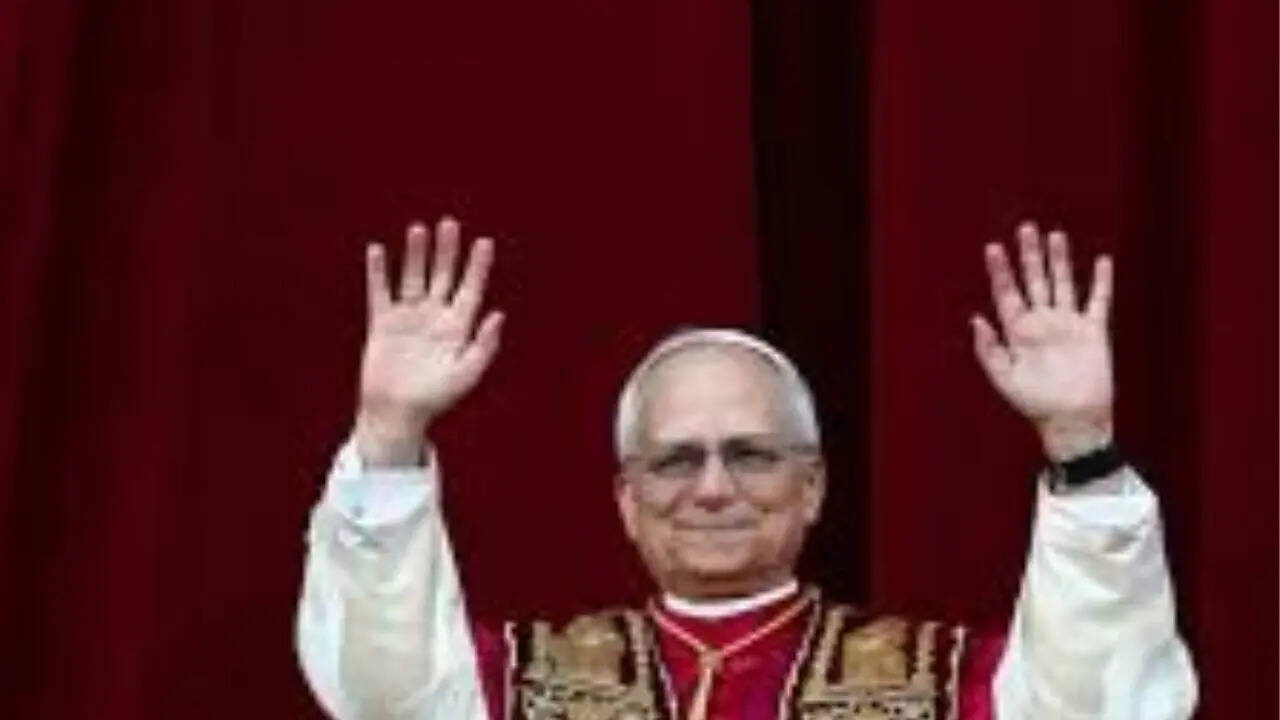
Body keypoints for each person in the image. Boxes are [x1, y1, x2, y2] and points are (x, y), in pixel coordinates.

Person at [295, 217, 1197, 719]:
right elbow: (382, 691)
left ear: (814, 487)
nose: (714, 487)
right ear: (627, 500)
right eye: (675, 460)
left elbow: (1104, 703)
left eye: (752, 454)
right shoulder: (512, 687)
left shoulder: (949, 686)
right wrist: (391, 432)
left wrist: (1082, 445)